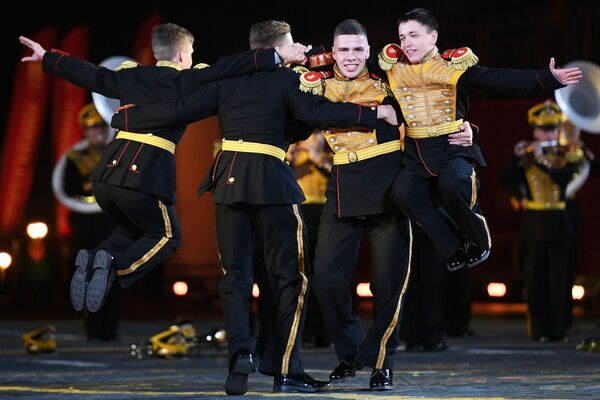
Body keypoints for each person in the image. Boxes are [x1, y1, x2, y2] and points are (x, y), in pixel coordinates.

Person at [107, 20, 398, 395]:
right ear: (279, 49)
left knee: (235, 279)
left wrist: (124, 119)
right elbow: (321, 112)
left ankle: (239, 360)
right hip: (271, 183)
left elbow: (178, 109)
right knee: (291, 278)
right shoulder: (288, 81)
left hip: (227, 181)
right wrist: (373, 115)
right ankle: (286, 369)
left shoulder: (225, 81)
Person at [19, 23, 308, 314]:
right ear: (183, 55)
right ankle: (113, 270)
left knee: (133, 231)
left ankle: (97, 256)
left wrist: (48, 58)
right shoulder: (185, 81)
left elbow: (90, 74)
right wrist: (277, 56)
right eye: (192, 53)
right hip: (142, 172)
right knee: (168, 237)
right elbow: (225, 68)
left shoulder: (129, 77)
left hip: (106, 176)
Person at [298, 19, 472, 390]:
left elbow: (437, 101)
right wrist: (374, 113)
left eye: (358, 49)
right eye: (343, 50)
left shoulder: (389, 80)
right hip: (342, 186)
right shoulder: (318, 84)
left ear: (367, 50)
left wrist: (468, 127)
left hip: (389, 186)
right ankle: (348, 352)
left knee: (388, 284)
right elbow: (315, 115)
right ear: (333, 51)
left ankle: (381, 362)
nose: (350, 57)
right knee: (327, 279)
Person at [376, 8, 582, 271]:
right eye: (402, 37)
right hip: (416, 151)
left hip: (453, 145)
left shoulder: (453, 67)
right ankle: (452, 247)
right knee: (403, 193)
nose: (406, 43)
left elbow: (497, 79)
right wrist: (309, 56)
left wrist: (544, 78)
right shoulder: (392, 67)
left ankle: (480, 241)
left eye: (413, 35)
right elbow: (351, 56)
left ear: (433, 37)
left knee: (455, 182)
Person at [498, 100, 582, 342]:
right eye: (544, 130)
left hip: (559, 220)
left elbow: (564, 179)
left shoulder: (567, 155)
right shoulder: (526, 155)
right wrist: (515, 158)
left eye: (553, 129)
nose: (549, 134)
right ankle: (540, 330)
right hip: (534, 222)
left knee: (560, 280)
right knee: (535, 278)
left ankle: (559, 329)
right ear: (535, 131)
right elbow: (503, 179)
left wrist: (543, 161)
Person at [63, 103, 120, 340]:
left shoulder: (116, 153)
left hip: (112, 221)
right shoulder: (76, 158)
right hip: (87, 224)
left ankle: (111, 328)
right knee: (87, 273)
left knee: (112, 275)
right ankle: (93, 328)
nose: (96, 132)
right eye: (91, 128)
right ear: (84, 131)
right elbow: (68, 187)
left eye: (100, 127)